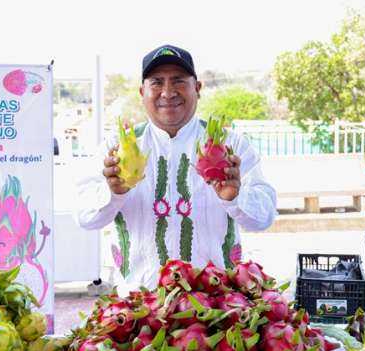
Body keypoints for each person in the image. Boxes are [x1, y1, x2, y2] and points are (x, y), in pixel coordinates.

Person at [75, 44, 277, 292]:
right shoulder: (116, 146)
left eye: (179, 81)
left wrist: (235, 197)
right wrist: (113, 193)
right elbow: (83, 216)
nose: (168, 92)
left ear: (198, 88)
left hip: (215, 305)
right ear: (142, 92)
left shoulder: (230, 145)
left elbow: (264, 218)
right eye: (157, 82)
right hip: (140, 305)